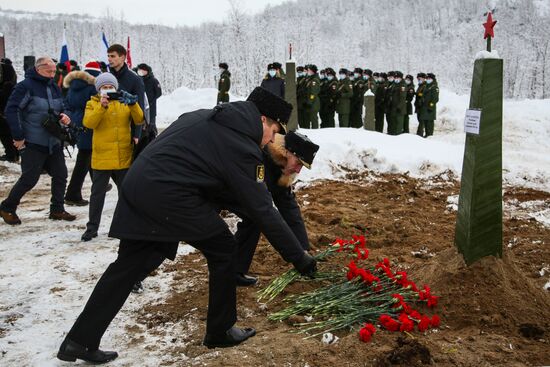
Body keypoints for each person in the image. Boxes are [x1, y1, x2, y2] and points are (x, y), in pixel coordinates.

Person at [57, 87, 316, 363]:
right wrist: (300, 258)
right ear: (263, 120)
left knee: (130, 265)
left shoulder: (209, 118)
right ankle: (220, 330)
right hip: (168, 194)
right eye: (275, 129)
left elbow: (219, 184)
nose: (273, 138)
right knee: (224, 247)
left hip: (142, 186)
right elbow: (263, 209)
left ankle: (79, 340)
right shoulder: (241, 143)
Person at [232, 131, 319, 286]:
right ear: (286, 152)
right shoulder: (260, 157)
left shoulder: (283, 169)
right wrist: (297, 257)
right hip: (227, 187)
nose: (298, 170)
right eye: (298, 163)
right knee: (254, 217)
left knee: (253, 219)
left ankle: (234, 271)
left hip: (247, 195)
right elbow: (262, 209)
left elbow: (288, 207)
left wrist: (303, 249)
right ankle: (229, 270)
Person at [0, 56, 76, 225]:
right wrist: (18, 136)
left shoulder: (54, 87)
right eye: (49, 71)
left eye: (54, 71)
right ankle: (7, 207)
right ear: (38, 69)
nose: (52, 74)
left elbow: (64, 106)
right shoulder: (25, 86)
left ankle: (57, 209)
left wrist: (66, 116)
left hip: (53, 141)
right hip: (33, 142)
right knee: (29, 179)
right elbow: (12, 110)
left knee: (61, 174)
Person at [80, 73, 144, 242]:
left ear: (116, 88)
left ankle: (127, 226)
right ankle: (92, 228)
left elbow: (139, 120)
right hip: (102, 158)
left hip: (123, 156)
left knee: (126, 193)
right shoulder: (92, 103)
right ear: (99, 90)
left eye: (110, 87)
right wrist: (102, 106)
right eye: (104, 87)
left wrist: (133, 103)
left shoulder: (123, 102)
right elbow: (89, 123)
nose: (108, 89)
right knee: (97, 195)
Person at [63, 61, 102, 207]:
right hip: (89, 125)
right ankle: (72, 194)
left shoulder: (73, 86)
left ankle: (100, 185)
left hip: (77, 124)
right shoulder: (92, 88)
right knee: (84, 159)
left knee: (88, 156)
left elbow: (67, 104)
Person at [107, 44, 147, 153]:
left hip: (126, 130)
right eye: (108, 56)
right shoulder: (106, 77)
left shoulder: (135, 79)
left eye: (113, 56)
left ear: (123, 57)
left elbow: (140, 107)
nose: (109, 59)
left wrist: (137, 134)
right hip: (108, 129)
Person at [0, 58, 19, 162]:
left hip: (4, 110)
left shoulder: (6, 84)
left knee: (5, 133)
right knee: (10, 133)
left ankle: (11, 155)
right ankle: (14, 154)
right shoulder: (12, 77)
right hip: (9, 108)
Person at [136, 63, 162, 138]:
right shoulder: (138, 80)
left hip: (151, 107)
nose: (142, 72)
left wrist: (151, 100)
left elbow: (159, 92)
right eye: (140, 70)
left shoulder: (153, 80)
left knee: (151, 125)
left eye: (144, 70)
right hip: (140, 106)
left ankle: (153, 138)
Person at [418, 73, 439, 137]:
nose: (427, 80)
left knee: (429, 123)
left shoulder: (434, 87)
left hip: (430, 108)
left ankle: (429, 135)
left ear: (432, 79)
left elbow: (435, 99)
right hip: (424, 107)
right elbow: (422, 95)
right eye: (427, 78)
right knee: (425, 122)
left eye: (429, 79)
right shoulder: (426, 86)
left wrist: (431, 106)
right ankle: (426, 135)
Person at [303, 64, 320, 129]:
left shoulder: (314, 80)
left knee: (314, 118)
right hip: (311, 101)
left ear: (313, 71)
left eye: (309, 70)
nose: (308, 72)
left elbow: (313, 93)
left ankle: (315, 131)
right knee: (310, 118)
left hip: (314, 102)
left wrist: (309, 102)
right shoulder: (310, 79)